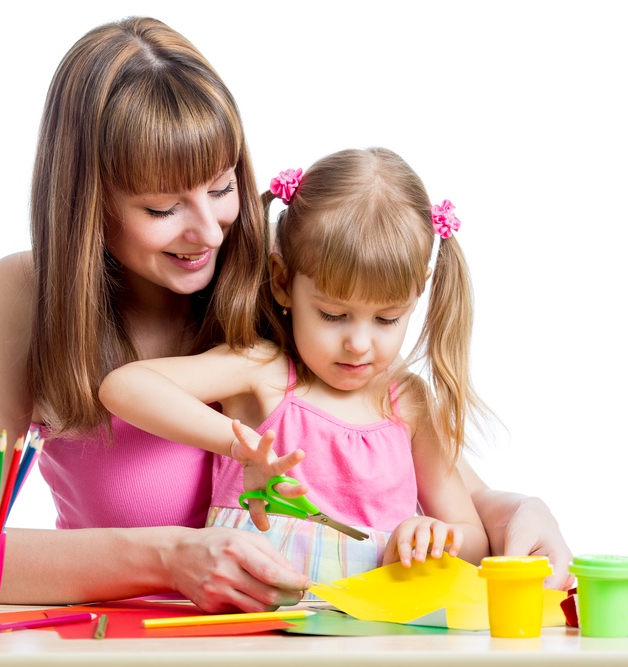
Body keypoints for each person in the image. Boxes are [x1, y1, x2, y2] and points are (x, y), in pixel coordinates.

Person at [0, 17, 572, 613]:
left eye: (221, 188)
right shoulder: (26, 296)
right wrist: (168, 557)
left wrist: (523, 513)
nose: (208, 233)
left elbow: (425, 479)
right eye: (163, 208)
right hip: (122, 642)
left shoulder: (286, 289)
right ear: (88, 203)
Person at [100, 147, 494, 585]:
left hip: (377, 643)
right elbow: (124, 387)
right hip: (252, 639)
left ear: (418, 294)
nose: (359, 344)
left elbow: (475, 540)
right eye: (332, 315)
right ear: (284, 282)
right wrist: (240, 445)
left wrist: (435, 534)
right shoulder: (262, 372)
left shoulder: (407, 402)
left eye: (387, 319)